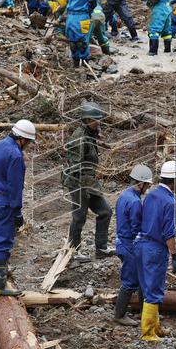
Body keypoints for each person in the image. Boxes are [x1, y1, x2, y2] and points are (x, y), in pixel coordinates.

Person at [0, 121, 35, 297]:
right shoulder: (15, 155)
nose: (27, 146)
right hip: (4, 202)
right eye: (27, 142)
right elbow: (15, 187)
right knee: (3, 241)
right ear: (21, 139)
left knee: (0, 236)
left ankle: (2, 271)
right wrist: (17, 211)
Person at [137, 160, 176, 341]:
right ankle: (148, 333)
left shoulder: (150, 194)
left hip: (140, 246)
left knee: (147, 287)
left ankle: (155, 326)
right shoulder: (170, 201)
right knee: (154, 290)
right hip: (155, 249)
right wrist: (175, 256)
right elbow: (168, 234)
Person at [62, 103, 112, 262]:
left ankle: (101, 248)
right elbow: (75, 166)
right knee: (79, 216)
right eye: (94, 120)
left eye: (98, 120)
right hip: (79, 182)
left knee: (105, 211)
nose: (98, 122)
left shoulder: (91, 133)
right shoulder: (79, 137)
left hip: (89, 182)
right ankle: (73, 252)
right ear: (86, 119)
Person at [112, 164, 153, 326]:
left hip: (121, 242)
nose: (147, 188)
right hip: (130, 245)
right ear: (141, 184)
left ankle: (146, 312)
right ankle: (119, 314)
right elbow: (137, 228)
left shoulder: (123, 196)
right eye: (147, 185)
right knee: (130, 280)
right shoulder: (135, 202)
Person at [51, 0, 99, 69]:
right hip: (70, 17)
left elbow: (93, 1)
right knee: (72, 43)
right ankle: (76, 65)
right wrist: (60, 17)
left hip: (82, 16)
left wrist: (87, 12)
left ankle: (85, 66)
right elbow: (67, 2)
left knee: (81, 44)